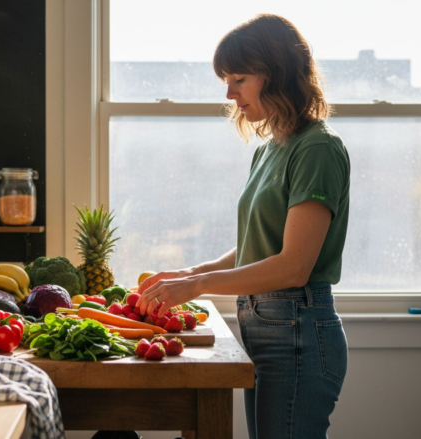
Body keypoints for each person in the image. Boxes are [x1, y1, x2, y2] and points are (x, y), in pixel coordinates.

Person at [136, 13, 350, 439]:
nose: (230, 94)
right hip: (268, 326)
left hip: (298, 331)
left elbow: (293, 267)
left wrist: (198, 287)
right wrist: (190, 274)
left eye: (239, 79)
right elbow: (259, 245)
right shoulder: (271, 149)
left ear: (277, 75)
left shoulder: (318, 150)